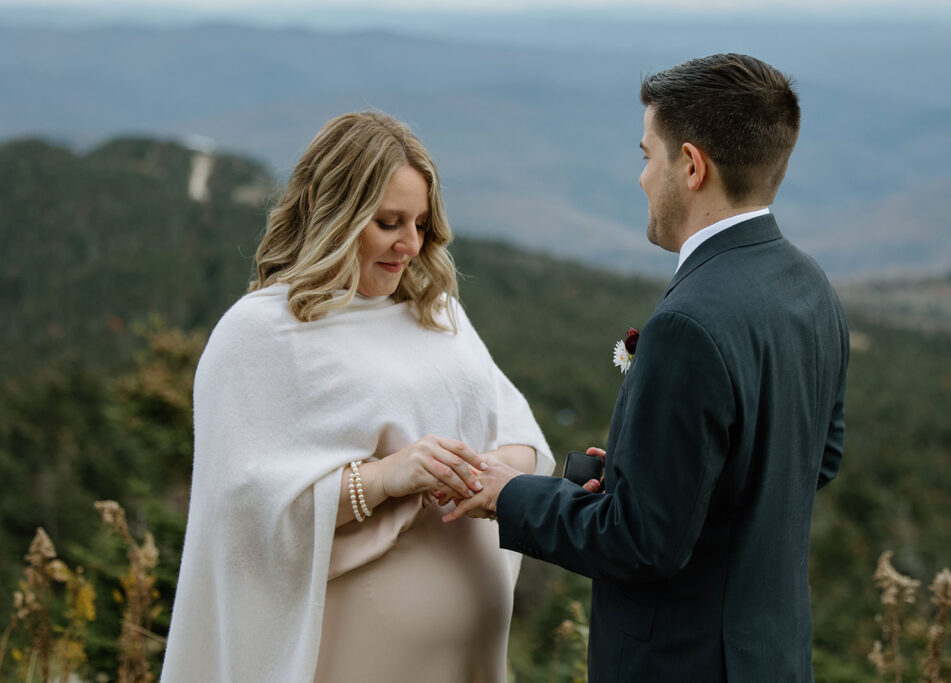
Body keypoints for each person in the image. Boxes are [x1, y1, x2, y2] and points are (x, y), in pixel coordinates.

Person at [446, 53, 849, 681]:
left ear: (691, 167)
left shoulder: (688, 324)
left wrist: (509, 495)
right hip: (774, 657)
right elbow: (815, 457)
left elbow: (640, 543)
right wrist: (662, 475)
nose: (640, 178)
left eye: (646, 155)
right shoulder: (810, 286)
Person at [161, 111, 554, 682]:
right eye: (389, 222)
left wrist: (481, 471)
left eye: (421, 223)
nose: (411, 246)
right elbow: (244, 511)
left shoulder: (437, 310)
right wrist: (390, 476)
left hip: (464, 653)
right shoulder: (261, 333)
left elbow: (522, 436)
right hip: (350, 651)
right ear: (336, 216)